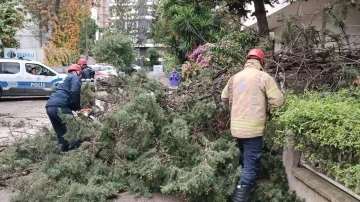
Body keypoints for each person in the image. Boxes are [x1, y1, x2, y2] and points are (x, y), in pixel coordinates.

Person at [221, 48, 284, 202]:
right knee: (251, 166)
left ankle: (245, 190)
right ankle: (239, 199)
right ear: (261, 62)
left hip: (236, 128)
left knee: (244, 160)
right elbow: (278, 101)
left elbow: (224, 97)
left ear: (247, 60)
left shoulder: (234, 78)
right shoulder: (264, 77)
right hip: (253, 130)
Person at [45, 64, 83, 152]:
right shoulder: (75, 78)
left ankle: (64, 153)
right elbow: (75, 91)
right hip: (60, 107)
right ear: (78, 72)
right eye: (80, 74)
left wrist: (75, 108)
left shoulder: (65, 82)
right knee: (74, 128)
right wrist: (78, 107)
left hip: (50, 107)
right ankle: (74, 153)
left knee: (61, 133)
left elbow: (66, 98)